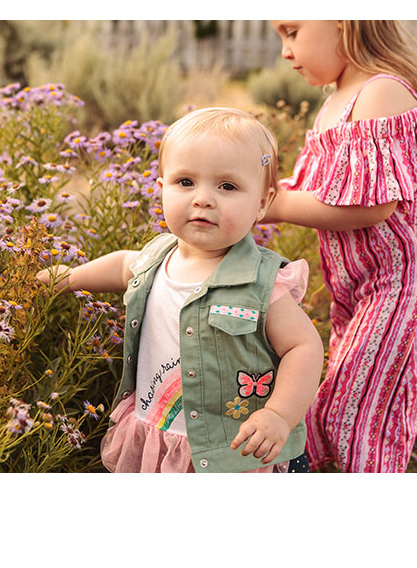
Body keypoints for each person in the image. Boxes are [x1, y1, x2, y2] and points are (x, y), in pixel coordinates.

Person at [37, 107, 324, 473]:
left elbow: (304, 347)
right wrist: (68, 277)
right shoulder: (155, 259)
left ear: (263, 204)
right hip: (158, 432)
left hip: (233, 449)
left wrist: (279, 415)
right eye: (185, 182)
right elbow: (121, 265)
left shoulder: (261, 282)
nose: (203, 199)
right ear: (162, 189)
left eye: (228, 186)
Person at [267, 20, 417, 472]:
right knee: (348, 405)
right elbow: (319, 188)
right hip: (370, 289)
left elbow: (372, 206)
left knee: (359, 417)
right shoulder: (338, 102)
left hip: (408, 289)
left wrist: (275, 205)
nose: (285, 51)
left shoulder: (381, 93)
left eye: (292, 31)